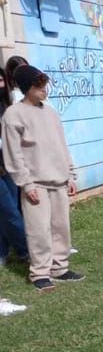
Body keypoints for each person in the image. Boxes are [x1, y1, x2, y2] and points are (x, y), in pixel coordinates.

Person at [0, 66, 83, 290]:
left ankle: (60, 268)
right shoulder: (13, 115)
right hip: (35, 182)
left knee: (61, 227)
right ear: (27, 88)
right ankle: (39, 273)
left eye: (44, 86)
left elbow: (61, 146)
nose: (44, 91)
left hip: (58, 180)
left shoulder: (50, 112)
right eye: (38, 87)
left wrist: (70, 175)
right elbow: (13, 153)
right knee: (39, 230)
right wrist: (25, 183)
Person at [0, 65, 29, 267]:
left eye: (1, 80)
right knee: (9, 211)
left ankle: (5, 251)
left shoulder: (8, 105)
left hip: (8, 164)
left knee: (9, 210)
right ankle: (27, 250)